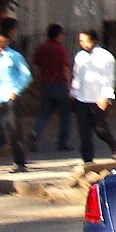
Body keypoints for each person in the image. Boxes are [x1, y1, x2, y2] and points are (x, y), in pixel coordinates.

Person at [70, 29, 116, 163]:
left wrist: (106, 96)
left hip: (97, 98)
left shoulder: (106, 57)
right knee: (84, 131)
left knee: (100, 128)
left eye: (85, 41)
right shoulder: (80, 57)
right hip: (81, 97)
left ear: (93, 40)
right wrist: (73, 90)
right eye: (81, 41)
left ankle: (115, 145)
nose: (82, 44)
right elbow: (77, 75)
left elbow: (110, 78)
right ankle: (87, 160)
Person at [0, 30, 32, 172]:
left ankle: (19, 162)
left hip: (11, 95)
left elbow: (26, 75)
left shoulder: (14, 56)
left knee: (14, 130)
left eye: (2, 41)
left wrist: (16, 90)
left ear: (7, 41)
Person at [28, 23, 73, 152]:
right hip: (59, 85)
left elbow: (35, 66)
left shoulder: (41, 48)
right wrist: (69, 86)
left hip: (45, 85)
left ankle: (35, 132)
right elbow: (65, 68)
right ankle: (62, 143)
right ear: (59, 35)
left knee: (45, 113)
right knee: (65, 115)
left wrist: (37, 82)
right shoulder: (61, 49)